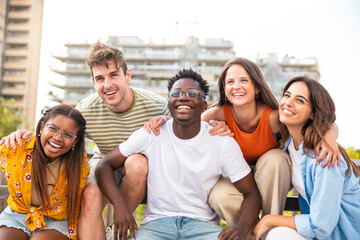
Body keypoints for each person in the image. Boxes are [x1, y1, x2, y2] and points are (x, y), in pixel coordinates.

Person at [0, 42, 229, 240]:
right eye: (99, 78)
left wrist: (215, 124)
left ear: (126, 76)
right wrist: (24, 135)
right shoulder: (87, 110)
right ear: (93, 82)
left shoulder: (155, 105)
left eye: (113, 75)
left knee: (137, 161)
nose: (107, 85)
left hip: (145, 171)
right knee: (89, 193)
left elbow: (188, 120)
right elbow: (58, 131)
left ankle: (117, 227)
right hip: (104, 162)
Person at [146, 57, 340, 226]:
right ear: (224, 88)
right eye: (230, 82)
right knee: (218, 195)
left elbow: (319, 122)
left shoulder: (273, 117)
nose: (236, 86)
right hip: (238, 180)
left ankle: (269, 225)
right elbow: (186, 123)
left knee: (276, 158)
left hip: (270, 179)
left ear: (256, 88)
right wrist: (163, 120)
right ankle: (249, 231)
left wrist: (330, 137)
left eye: (244, 81)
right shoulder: (217, 113)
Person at [96, 69, 261, 240]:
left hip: (203, 227)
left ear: (204, 106)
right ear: (169, 103)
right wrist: (120, 204)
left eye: (192, 93)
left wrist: (240, 230)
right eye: (176, 93)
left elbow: (252, 194)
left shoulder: (221, 141)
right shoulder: (151, 133)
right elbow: (104, 165)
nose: (183, 97)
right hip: (155, 226)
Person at [251, 76, 360, 240]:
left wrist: (269, 219)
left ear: (313, 114)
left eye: (300, 101)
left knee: (277, 234)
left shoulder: (325, 157)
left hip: (343, 235)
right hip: (317, 236)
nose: (288, 102)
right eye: (287, 95)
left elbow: (321, 225)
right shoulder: (288, 146)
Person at [0, 105, 89, 240]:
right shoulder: (17, 147)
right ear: (42, 127)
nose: (58, 137)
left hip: (55, 220)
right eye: (53, 128)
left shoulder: (79, 165)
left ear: (75, 141)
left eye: (68, 135)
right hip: (17, 214)